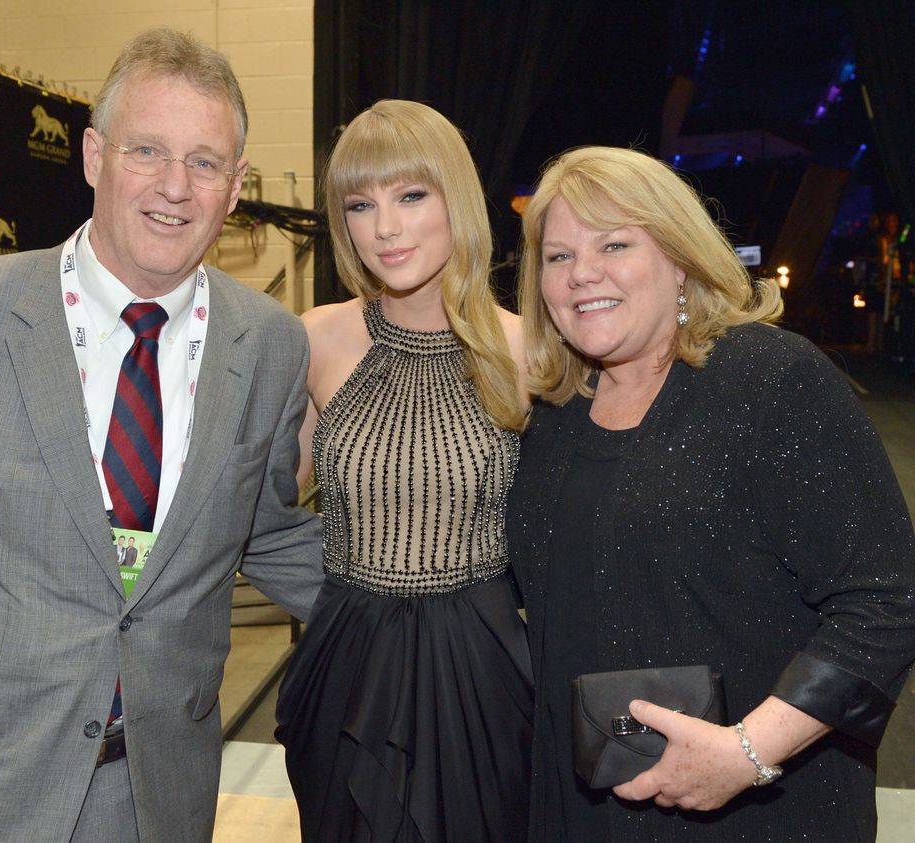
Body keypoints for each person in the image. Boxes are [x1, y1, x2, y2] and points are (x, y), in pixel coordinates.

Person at [0, 27, 322, 843]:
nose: (174, 186)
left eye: (205, 162)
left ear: (235, 188)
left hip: (159, 796)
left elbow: (263, 532)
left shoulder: (269, 344)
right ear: (93, 155)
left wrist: (455, 602)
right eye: (147, 151)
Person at [508, 145, 915, 842]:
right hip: (583, 811)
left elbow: (887, 597)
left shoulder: (769, 380)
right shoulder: (556, 412)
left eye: (615, 244)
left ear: (680, 259)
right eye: (558, 256)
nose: (583, 274)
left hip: (756, 810)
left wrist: (748, 752)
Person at [275, 99, 533, 842]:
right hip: (345, 666)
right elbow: (254, 507)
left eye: (411, 195)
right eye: (361, 203)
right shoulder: (317, 338)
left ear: (457, 198)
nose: (384, 226)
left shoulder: (529, 354)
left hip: (480, 670)